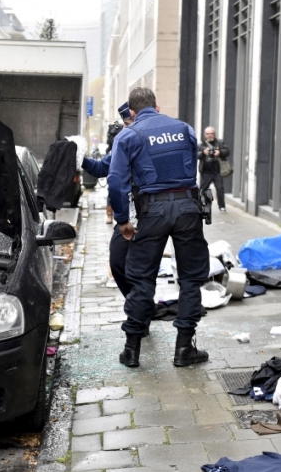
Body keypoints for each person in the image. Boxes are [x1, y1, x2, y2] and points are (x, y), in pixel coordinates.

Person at [107, 87, 210, 368]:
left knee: (142, 279)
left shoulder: (128, 135)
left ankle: (132, 350)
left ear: (131, 111)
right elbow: (191, 167)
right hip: (188, 206)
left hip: (153, 209)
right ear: (158, 106)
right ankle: (184, 349)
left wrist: (122, 220)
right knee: (190, 279)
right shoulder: (184, 129)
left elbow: (116, 181)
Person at [81, 103, 137, 298]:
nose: (124, 128)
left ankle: (140, 309)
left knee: (137, 266)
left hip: (147, 214)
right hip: (127, 216)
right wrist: (80, 158)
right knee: (118, 262)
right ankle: (138, 305)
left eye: (128, 123)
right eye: (124, 124)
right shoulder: (121, 146)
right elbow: (99, 169)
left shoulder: (144, 141)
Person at [197, 127, 230, 212]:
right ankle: (201, 206)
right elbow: (196, 155)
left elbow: (227, 151)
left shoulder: (220, 142)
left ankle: (222, 206)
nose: (210, 135)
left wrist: (220, 152)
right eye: (208, 134)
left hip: (217, 171)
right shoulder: (201, 144)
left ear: (214, 134)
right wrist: (204, 153)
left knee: (220, 189)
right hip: (206, 171)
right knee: (203, 189)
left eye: (211, 133)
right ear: (205, 135)